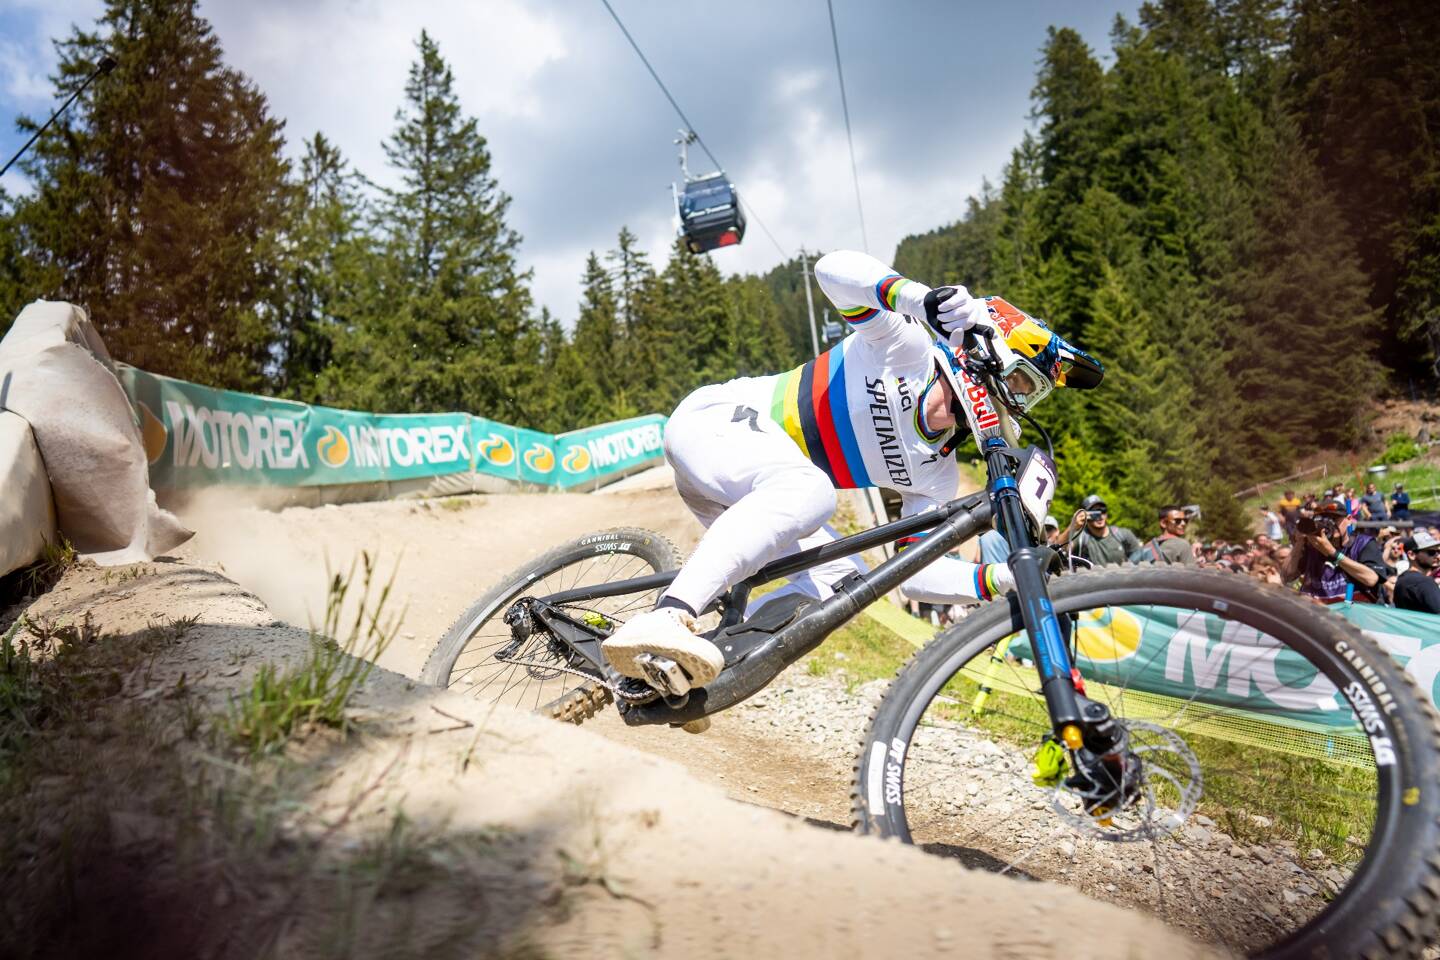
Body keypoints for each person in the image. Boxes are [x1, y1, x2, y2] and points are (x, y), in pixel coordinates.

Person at [600, 249, 1102, 689]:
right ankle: (670, 614)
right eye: (1020, 384)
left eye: (1028, 396)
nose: (1018, 401)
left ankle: (685, 667)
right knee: (814, 490)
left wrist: (998, 580)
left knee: (846, 583)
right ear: (993, 352)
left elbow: (913, 573)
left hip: (749, 488)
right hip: (714, 424)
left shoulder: (936, 471)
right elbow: (831, 271)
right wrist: (919, 298)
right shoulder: (908, 349)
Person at [1280, 499, 1387, 604]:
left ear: (1349, 519)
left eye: (1334, 518)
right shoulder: (1312, 545)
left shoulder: (1363, 543)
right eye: (1323, 519)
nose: (1328, 524)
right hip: (1318, 614)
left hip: (1355, 614)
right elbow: (1286, 576)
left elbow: (1371, 579)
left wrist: (1333, 553)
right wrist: (1299, 542)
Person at [1057, 495, 1140, 567]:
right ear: (1085, 515)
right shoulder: (1081, 538)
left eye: (1102, 511)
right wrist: (1072, 527)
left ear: (1106, 514)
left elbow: (1140, 559)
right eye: (1094, 513)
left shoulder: (1123, 535)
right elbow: (1058, 550)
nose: (1100, 516)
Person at [1131, 504, 1197, 565]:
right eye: (1178, 521)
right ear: (1163, 523)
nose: (1183, 524)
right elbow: (1193, 575)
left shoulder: (1148, 546)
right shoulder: (1183, 544)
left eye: (1185, 520)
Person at [1392, 531, 1440, 614]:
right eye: (1431, 552)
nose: (1437, 556)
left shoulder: (1402, 578)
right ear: (1411, 555)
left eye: (1438, 552)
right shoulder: (1424, 582)